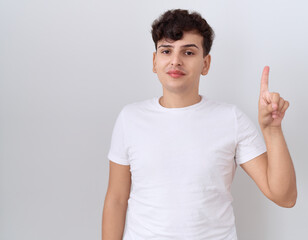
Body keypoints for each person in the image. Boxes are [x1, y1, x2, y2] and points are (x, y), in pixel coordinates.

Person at [102, 8, 297, 240]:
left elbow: (284, 196)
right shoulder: (130, 118)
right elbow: (116, 199)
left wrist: (272, 130)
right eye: (166, 51)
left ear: (206, 64)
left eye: (188, 52)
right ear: (155, 61)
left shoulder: (231, 119)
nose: (175, 60)